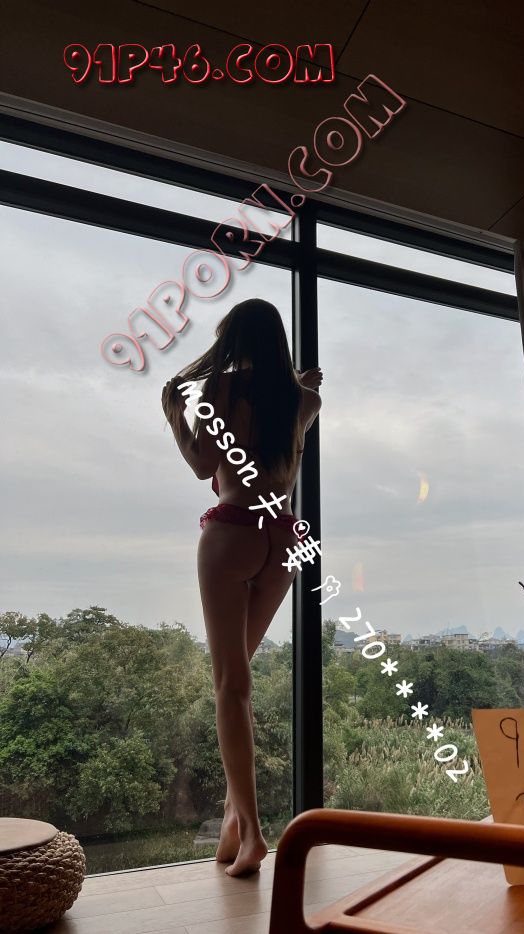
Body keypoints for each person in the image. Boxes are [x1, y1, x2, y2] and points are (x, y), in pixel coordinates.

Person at [161, 298, 322, 877]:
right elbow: (293, 425)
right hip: (284, 539)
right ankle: (234, 820)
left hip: (233, 532)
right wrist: (304, 384)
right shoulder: (305, 401)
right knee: (239, 682)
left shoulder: (222, 391)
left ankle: (253, 835)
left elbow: (203, 465)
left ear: (235, 342)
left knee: (231, 686)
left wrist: (175, 417)